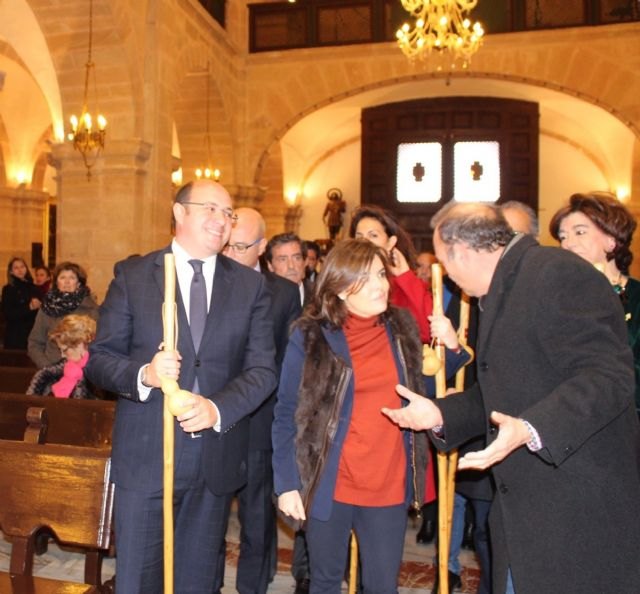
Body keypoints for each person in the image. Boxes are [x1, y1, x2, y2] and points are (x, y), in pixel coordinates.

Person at [382, 201, 640, 594]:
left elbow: (608, 376)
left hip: (575, 510)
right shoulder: (506, 285)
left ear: (462, 253)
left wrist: (531, 427)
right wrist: (438, 413)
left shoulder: (559, 274)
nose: (448, 278)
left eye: (445, 265)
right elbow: (503, 390)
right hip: (525, 511)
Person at [85, 180, 277, 594]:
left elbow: (263, 370)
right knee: (138, 581)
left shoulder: (248, 286)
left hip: (213, 460)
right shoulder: (135, 275)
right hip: (146, 457)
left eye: (228, 213)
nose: (221, 220)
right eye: (210, 208)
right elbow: (99, 361)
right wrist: (145, 375)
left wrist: (217, 408)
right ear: (178, 213)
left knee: (197, 583)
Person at [272, 238, 429, 594]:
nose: (380, 285)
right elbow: (284, 413)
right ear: (340, 288)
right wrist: (286, 484)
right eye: (367, 277)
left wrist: (450, 345)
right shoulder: (310, 336)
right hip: (331, 480)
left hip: (387, 481)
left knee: (381, 585)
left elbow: (429, 380)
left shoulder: (401, 328)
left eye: (380, 274)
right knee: (325, 582)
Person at [220, 207, 302, 594]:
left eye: (240, 246)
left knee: (256, 516)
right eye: (227, 245)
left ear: (261, 246)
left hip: (258, 420)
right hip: (213, 418)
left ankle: (251, 587)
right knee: (211, 516)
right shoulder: (212, 280)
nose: (231, 254)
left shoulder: (284, 293)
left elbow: (288, 363)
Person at [549, 190, 640, 416]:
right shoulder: (556, 300)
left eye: (579, 232)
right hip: (573, 418)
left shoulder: (636, 296)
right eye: (562, 237)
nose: (568, 243)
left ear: (612, 240)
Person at [349, 204, 432, 343]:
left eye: (373, 235)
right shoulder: (345, 282)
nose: (365, 243)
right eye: (359, 237)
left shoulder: (404, 283)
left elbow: (430, 331)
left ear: (390, 242)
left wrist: (406, 277)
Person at [27, 261, 99, 368]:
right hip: (52, 368)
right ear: (56, 282)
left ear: (79, 283)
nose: (67, 282)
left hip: (83, 370)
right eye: (62, 277)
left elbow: (98, 343)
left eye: (72, 278)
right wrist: (47, 366)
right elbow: (35, 343)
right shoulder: (47, 308)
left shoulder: (90, 308)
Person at [27, 314, 98, 399]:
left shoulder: (100, 374)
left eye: (64, 350)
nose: (62, 355)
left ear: (80, 344)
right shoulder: (51, 374)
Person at [1, 257, 41, 349]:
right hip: (16, 333)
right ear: (11, 271)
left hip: (33, 332)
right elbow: (8, 314)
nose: (20, 270)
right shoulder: (8, 289)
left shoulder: (34, 287)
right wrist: (29, 307)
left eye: (22, 267)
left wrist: (40, 305)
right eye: (16, 268)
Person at [266, 233, 313, 307]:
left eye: (297, 258)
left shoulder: (321, 296)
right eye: (283, 259)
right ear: (270, 265)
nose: (291, 266)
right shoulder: (262, 298)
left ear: (305, 262)